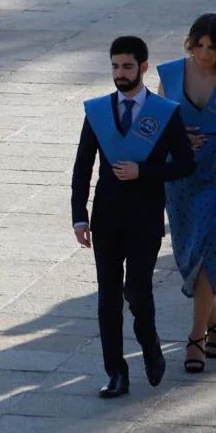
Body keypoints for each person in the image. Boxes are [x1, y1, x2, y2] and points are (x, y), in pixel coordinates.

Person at [71, 36, 196, 398]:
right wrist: (79, 217)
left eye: (127, 66)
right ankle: (116, 373)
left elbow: (185, 163)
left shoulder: (164, 112)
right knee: (108, 297)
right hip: (106, 218)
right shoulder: (97, 111)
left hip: (144, 217)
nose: (119, 74)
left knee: (137, 289)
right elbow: (83, 167)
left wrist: (144, 172)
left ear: (143, 67)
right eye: (114, 66)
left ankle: (150, 343)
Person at [158, 13, 216, 374]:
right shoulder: (169, 74)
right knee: (191, 252)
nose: (205, 53)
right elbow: (159, 124)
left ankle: (195, 336)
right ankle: (214, 323)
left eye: (212, 47)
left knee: (211, 245)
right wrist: (178, 140)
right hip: (181, 176)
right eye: (200, 45)